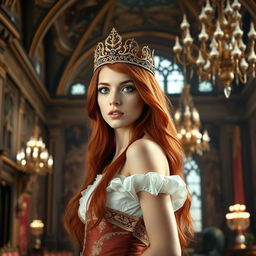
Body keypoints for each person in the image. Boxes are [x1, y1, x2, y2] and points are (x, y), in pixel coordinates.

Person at [64, 28, 193, 256]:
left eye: (127, 88)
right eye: (104, 90)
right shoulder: (113, 156)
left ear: (145, 96)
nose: (113, 100)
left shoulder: (142, 150)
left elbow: (166, 251)